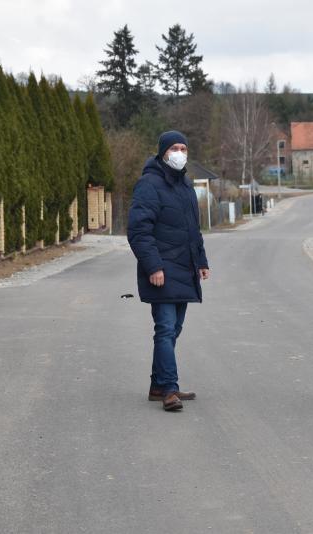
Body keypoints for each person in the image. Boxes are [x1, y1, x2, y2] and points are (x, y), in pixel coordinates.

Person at [127, 131, 210, 412]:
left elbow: (193, 230)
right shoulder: (148, 184)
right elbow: (139, 231)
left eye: (184, 148)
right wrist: (153, 266)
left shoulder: (185, 185)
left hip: (184, 269)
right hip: (161, 270)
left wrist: (201, 261)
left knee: (173, 329)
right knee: (164, 329)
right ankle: (170, 390)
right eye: (175, 148)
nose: (180, 153)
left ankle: (157, 385)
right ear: (163, 151)